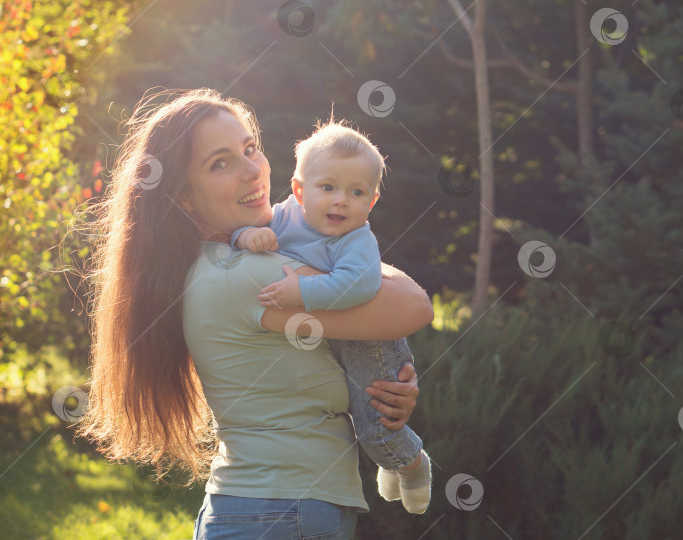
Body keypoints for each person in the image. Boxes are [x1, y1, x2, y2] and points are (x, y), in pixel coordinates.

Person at [77, 88, 434, 540]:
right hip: (282, 513)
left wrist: (379, 384)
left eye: (250, 149)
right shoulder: (247, 275)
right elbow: (412, 305)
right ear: (184, 198)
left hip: (265, 510)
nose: (253, 171)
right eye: (220, 163)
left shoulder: (219, 261)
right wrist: (348, 248)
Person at [230, 120, 432, 514]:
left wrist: (300, 293)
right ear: (300, 190)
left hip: (369, 339)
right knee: (355, 418)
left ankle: (413, 466)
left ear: (371, 202)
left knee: (376, 425)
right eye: (328, 188)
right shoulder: (285, 215)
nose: (341, 201)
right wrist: (245, 237)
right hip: (335, 335)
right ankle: (391, 462)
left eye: (356, 192)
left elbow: (356, 287)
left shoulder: (356, 239)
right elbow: (245, 229)